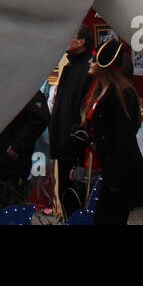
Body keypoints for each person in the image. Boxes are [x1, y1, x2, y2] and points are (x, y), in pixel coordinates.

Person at [81, 37, 143, 225]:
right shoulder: (98, 90)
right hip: (99, 167)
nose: (90, 61)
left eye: (94, 59)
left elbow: (124, 138)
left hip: (118, 174)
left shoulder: (123, 94)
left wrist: (115, 177)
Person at [49, 25, 94, 220]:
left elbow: (84, 109)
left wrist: (74, 136)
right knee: (65, 196)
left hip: (75, 148)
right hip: (63, 145)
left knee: (77, 199)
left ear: (82, 41)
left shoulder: (88, 69)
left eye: (71, 36)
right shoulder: (69, 67)